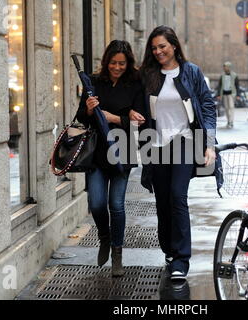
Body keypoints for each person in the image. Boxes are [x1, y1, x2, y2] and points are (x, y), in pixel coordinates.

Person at [139, 25, 217, 280]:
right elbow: (136, 102)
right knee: (163, 200)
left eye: (162, 46)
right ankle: (170, 251)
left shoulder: (190, 72)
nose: (159, 51)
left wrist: (209, 144)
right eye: (154, 48)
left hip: (184, 141)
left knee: (177, 195)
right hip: (157, 144)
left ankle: (182, 259)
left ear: (173, 45)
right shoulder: (148, 74)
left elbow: (207, 105)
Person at [76, 40, 145, 276]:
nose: (117, 67)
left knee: (116, 205)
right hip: (97, 154)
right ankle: (104, 238)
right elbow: (81, 119)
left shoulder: (135, 84)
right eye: (114, 63)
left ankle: (117, 252)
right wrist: (88, 109)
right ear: (107, 62)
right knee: (96, 203)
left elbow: (140, 120)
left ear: (128, 64)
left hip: (122, 152)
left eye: (122, 63)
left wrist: (113, 118)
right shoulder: (94, 82)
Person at [216, 61, 240, 129]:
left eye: (225, 66)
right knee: (226, 108)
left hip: (232, 94)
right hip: (224, 94)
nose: (224, 68)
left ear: (229, 67)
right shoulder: (222, 76)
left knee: (231, 108)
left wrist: (238, 95)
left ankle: (231, 121)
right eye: (224, 66)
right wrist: (219, 94)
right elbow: (220, 85)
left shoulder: (234, 75)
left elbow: (237, 85)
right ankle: (228, 121)